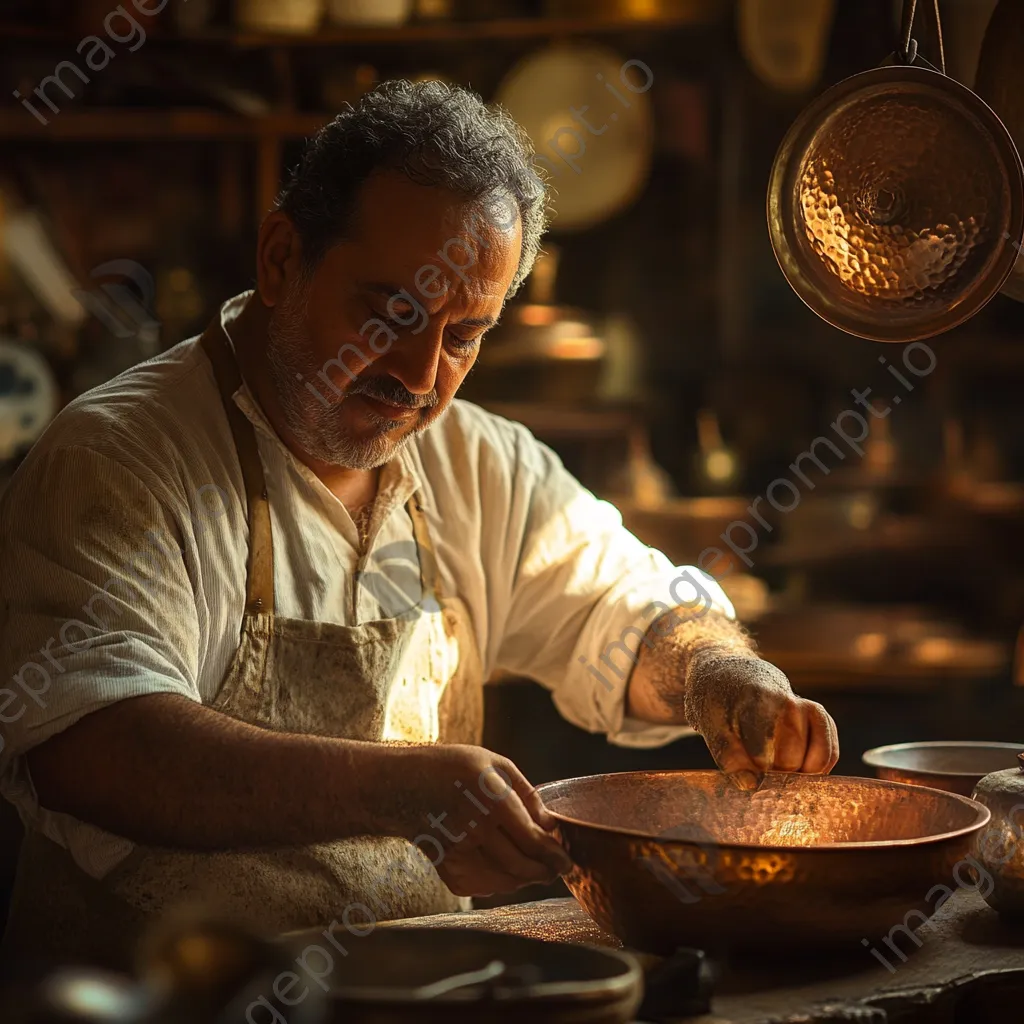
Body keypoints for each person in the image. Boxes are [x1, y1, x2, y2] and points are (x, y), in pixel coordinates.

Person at [0, 81, 838, 968]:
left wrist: (718, 673)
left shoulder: (479, 463)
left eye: (464, 335)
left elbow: (632, 613)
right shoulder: (121, 458)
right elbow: (95, 745)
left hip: (413, 993)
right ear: (282, 259)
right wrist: (400, 791)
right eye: (391, 313)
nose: (419, 372)